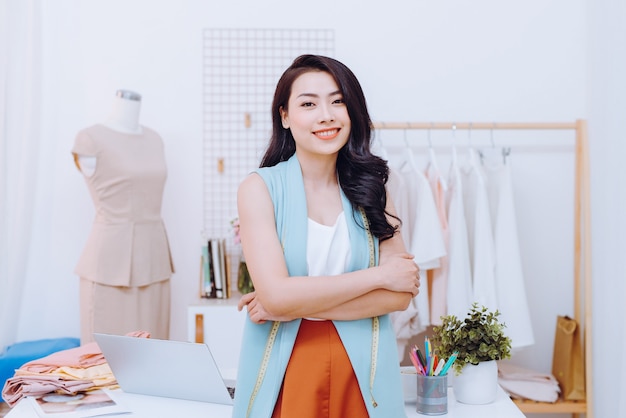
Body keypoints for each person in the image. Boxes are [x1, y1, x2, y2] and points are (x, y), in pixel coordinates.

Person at [233, 55, 421, 418]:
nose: (326, 115)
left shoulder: (373, 187)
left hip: (363, 367)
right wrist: (378, 277)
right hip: (289, 363)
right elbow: (277, 295)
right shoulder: (260, 189)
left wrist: (287, 305)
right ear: (285, 116)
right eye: (308, 104)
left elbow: (399, 298)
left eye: (338, 101)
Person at [71, 90, 174, 344]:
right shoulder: (90, 139)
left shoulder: (154, 139)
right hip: (110, 266)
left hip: (155, 262)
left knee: (154, 356)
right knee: (104, 361)